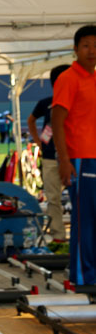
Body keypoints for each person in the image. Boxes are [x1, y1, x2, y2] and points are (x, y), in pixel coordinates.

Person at [52, 24, 96, 286]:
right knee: (85, 221)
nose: (92, 51)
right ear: (76, 49)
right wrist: (65, 160)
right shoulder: (68, 78)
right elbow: (57, 122)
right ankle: (82, 277)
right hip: (79, 158)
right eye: (86, 45)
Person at [27, 64, 70, 253]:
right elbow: (31, 119)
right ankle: (59, 238)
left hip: (75, 158)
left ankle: (81, 237)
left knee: (81, 199)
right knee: (53, 198)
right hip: (51, 157)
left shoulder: (80, 100)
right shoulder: (46, 102)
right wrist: (38, 141)